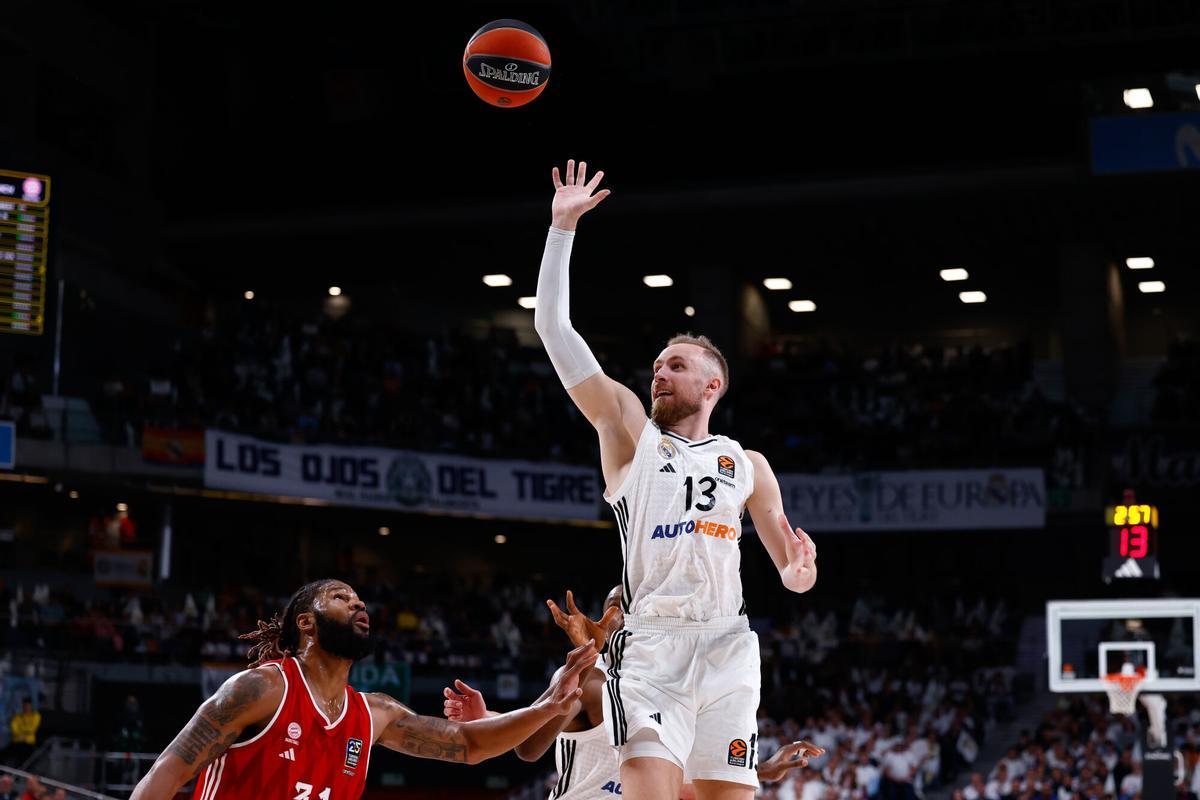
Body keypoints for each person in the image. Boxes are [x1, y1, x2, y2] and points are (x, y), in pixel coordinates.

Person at [531, 159, 818, 799]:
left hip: (728, 645)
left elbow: (787, 564)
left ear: (711, 384)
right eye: (657, 364)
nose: (659, 372)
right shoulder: (632, 433)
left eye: (676, 365)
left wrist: (801, 572)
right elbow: (553, 328)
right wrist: (561, 230)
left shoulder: (749, 463)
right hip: (651, 648)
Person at [130, 579, 596, 800]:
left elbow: (470, 745)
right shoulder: (261, 688)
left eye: (359, 598)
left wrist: (549, 706)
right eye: (340, 597)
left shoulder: (374, 714)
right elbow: (163, 778)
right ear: (306, 623)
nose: (358, 602)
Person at [443, 587, 825, 799]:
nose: (615, 619)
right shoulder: (590, 679)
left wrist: (760, 771)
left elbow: (687, 787)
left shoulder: (676, 691)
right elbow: (529, 748)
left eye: (626, 610)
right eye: (612, 610)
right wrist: (493, 719)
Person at [8, 699, 40, 766]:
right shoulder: (18, 716)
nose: (27, 708)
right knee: (15, 760)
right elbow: (14, 727)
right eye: (25, 706)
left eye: (28, 706)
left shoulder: (36, 716)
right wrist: (21, 733)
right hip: (17, 741)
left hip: (29, 742)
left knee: (27, 761)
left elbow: (32, 728)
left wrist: (21, 729)